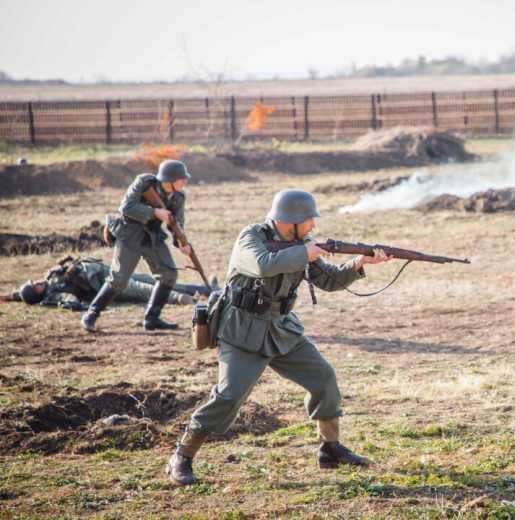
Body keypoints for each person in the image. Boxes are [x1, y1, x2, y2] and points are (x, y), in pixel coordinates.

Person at [166, 189, 391, 486]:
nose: (313, 224)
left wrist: (359, 262)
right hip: (242, 330)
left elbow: (328, 280)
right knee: (229, 396)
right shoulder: (252, 237)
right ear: (291, 219)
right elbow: (261, 264)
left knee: (323, 379)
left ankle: (329, 448)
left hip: (281, 328)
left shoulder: (301, 244)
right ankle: (182, 456)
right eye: (309, 219)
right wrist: (304, 253)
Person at [81, 160, 194, 332]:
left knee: (169, 275)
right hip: (129, 235)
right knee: (119, 279)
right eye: (181, 178)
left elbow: (177, 224)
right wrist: (154, 212)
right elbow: (126, 207)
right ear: (169, 179)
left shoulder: (178, 197)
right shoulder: (144, 183)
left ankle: (152, 318)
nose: (185, 181)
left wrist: (181, 242)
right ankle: (91, 314)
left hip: (152, 237)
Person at [3, 256, 211, 309]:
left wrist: (7, 297)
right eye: (36, 285)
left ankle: (204, 289)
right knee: (145, 289)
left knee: (155, 280)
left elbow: (21, 294)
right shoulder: (54, 293)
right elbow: (70, 299)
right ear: (38, 293)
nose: (37, 282)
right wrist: (70, 304)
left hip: (108, 271)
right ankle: (180, 298)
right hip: (108, 285)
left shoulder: (48, 282)